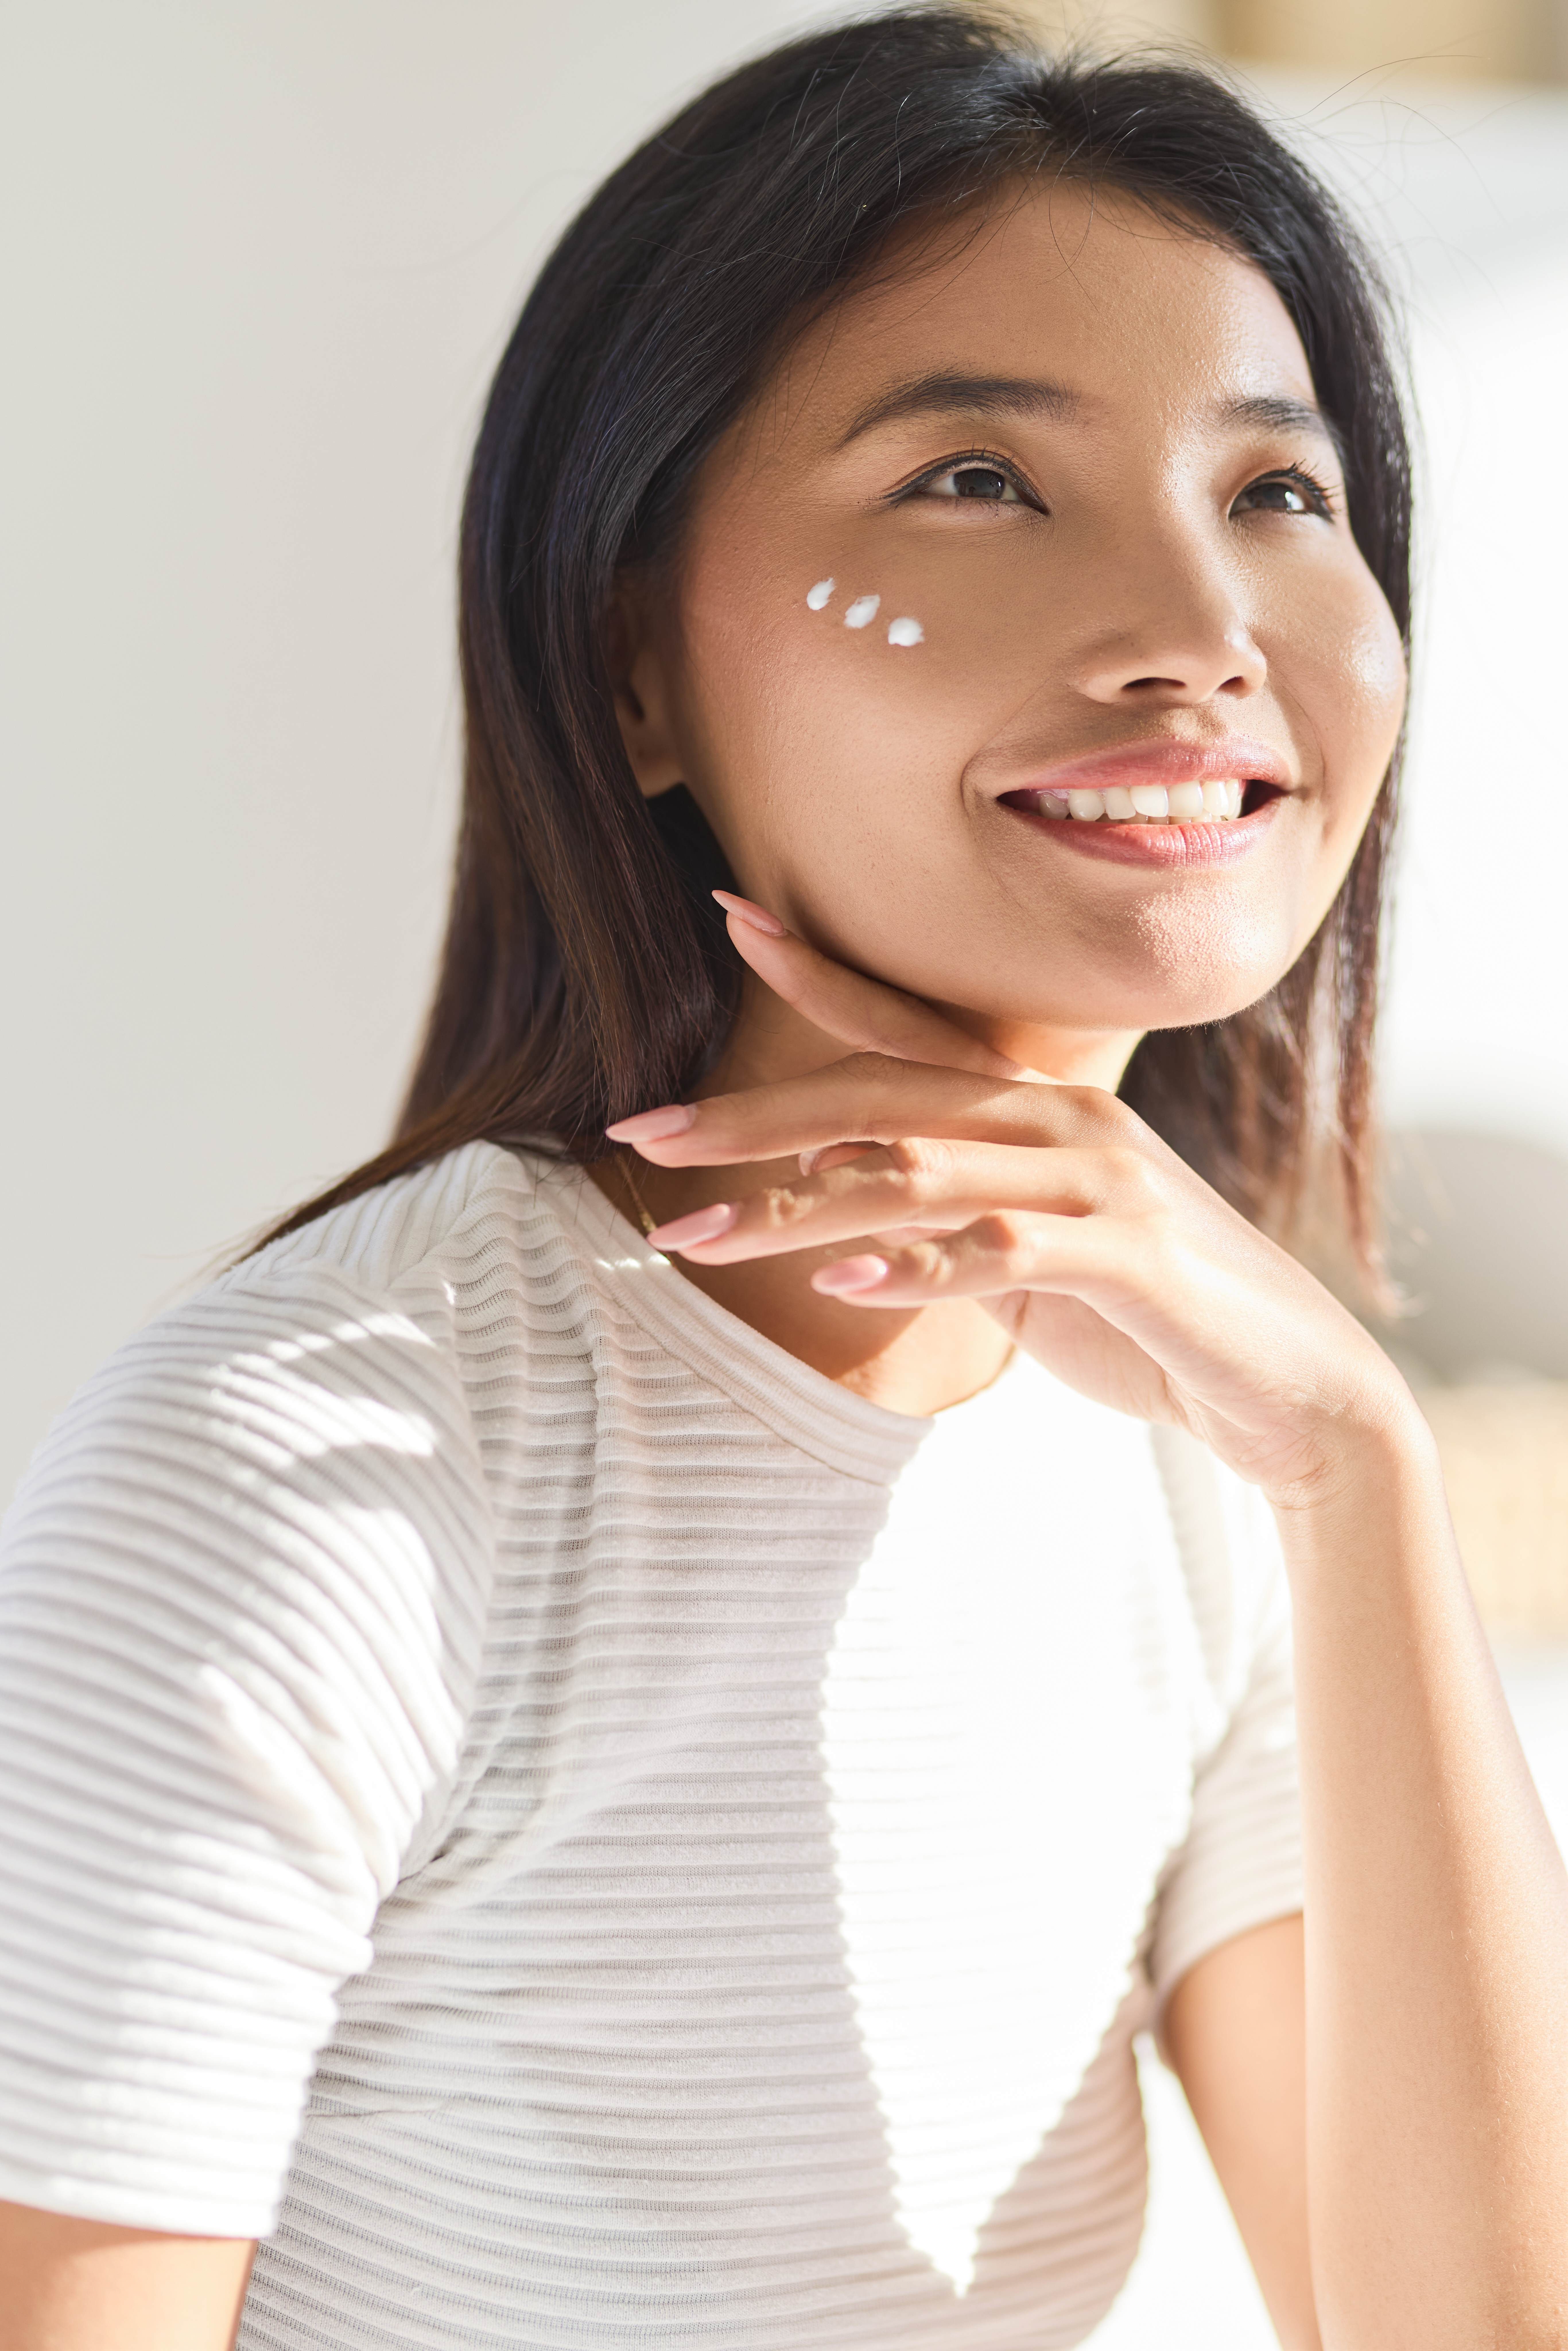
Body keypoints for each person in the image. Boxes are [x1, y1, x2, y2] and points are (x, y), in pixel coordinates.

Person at [2, 13, 1564, 2348]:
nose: (1195, 636)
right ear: (632, 665)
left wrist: (1347, 1453)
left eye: (1272, 493)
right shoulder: (321, 1460)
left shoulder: (1213, 1457)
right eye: (973, 480)